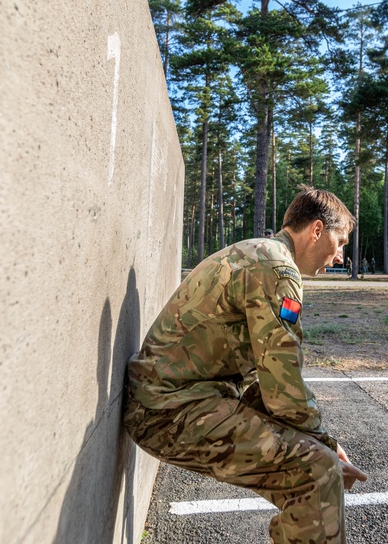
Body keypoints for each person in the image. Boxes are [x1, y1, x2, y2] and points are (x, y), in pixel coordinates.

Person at [124, 188, 369, 544]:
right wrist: (324, 445)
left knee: (313, 463)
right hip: (166, 410)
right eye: (341, 241)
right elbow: (282, 380)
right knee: (318, 473)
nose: (340, 255)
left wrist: (317, 439)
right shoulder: (277, 270)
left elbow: (265, 383)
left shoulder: (260, 253)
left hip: (173, 395)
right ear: (317, 231)